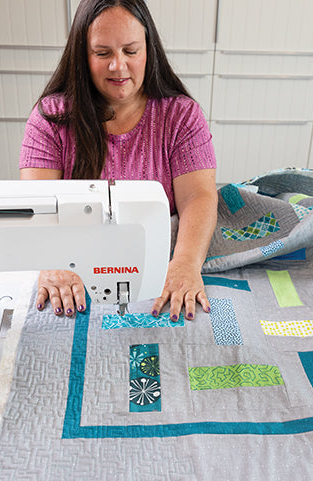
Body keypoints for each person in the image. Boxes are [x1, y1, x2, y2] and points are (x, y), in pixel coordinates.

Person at [20, 0, 217, 322]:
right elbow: (37, 206)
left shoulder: (182, 115)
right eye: (103, 53)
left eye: (130, 50)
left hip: (163, 256)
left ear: (148, 50)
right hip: (73, 258)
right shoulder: (50, 118)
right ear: (82, 56)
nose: (118, 66)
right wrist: (53, 260)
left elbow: (198, 195)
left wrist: (185, 262)